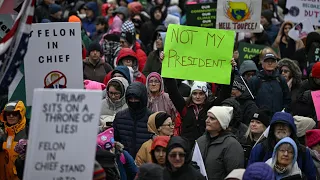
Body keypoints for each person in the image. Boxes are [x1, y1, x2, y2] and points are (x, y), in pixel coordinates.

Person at [164, 60, 236, 146]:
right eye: (194, 93)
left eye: (201, 93)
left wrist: (230, 72)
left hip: (205, 148)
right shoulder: (184, 107)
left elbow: (225, 93)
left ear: (206, 95)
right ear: (191, 95)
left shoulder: (212, 108)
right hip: (186, 148)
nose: (197, 97)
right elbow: (173, 91)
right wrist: (166, 65)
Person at [248, 112, 317, 179]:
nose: (281, 127)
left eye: (285, 125)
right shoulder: (260, 149)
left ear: (291, 129)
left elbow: (311, 176)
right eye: (278, 125)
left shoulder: (303, 152)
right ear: (273, 129)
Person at [197, 106, 244, 179]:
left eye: (212, 118)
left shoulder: (232, 145)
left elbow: (234, 175)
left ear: (222, 122)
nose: (207, 120)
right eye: (207, 117)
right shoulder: (200, 141)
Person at [113, 82, 152, 157]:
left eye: (136, 98)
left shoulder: (152, 118)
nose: (133, 101)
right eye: (131, 98)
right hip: (125, 161)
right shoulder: (120, 117)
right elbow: (115, 140)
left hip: (145, 163)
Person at [0, 101, 27, 180]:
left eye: (15, 113)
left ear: (20, 115)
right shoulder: (3, 134)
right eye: (8, 113)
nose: (11, 116)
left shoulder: (29, 133)